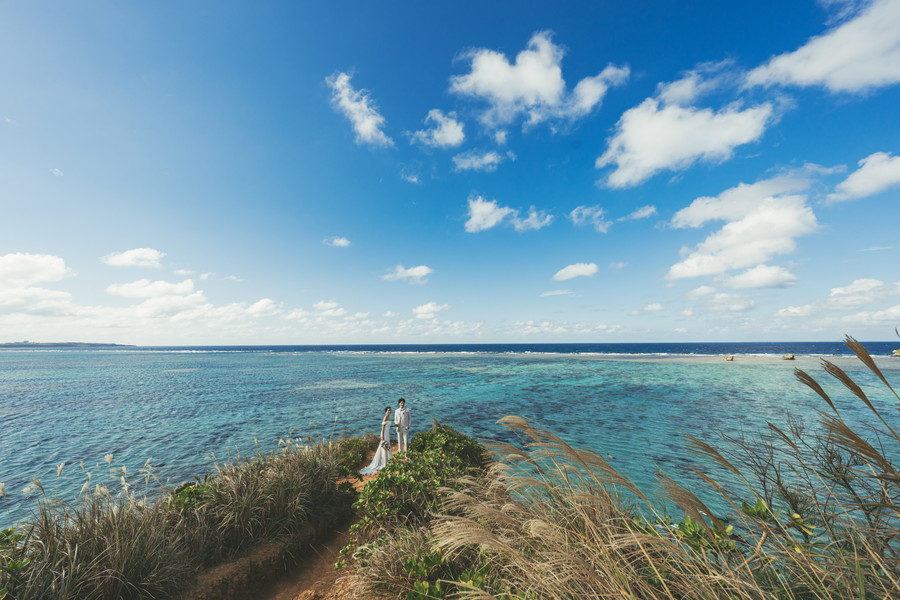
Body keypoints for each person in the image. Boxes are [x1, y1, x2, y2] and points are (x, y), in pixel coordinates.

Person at [360, 407, 393, 475]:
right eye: (388, 410)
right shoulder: (385, 417)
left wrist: (395, 425)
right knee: (384, 447)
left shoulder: (389, 417)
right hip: (384, 434)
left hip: (387, 434)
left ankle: (387, 460)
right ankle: (384, 463)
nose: (389, 411)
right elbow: (383, 428)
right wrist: (382, 436)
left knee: (386, 447)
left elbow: (388, 425)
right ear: (385, 411)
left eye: (390, 410)